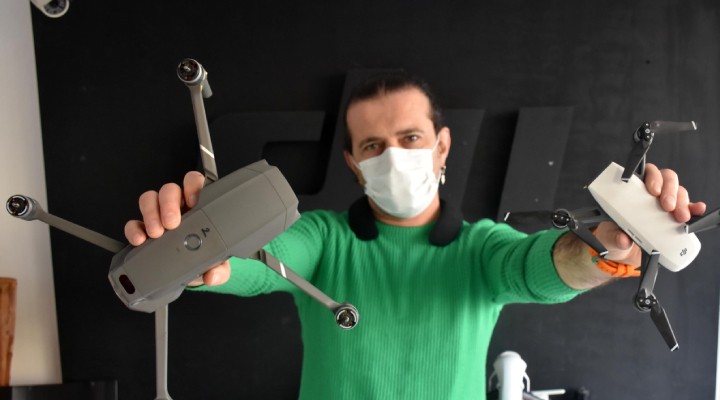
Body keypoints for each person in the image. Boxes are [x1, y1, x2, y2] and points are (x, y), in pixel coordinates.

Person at [124, 73, 706, 399]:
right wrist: (198, 250)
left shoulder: (481, 248)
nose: (393, 157)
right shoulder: (324, 240)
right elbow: (260, 259)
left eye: (409, 138)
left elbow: (542, 267)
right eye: (373, 146)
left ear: (442, 147)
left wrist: (607, 244)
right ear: (353, 164)